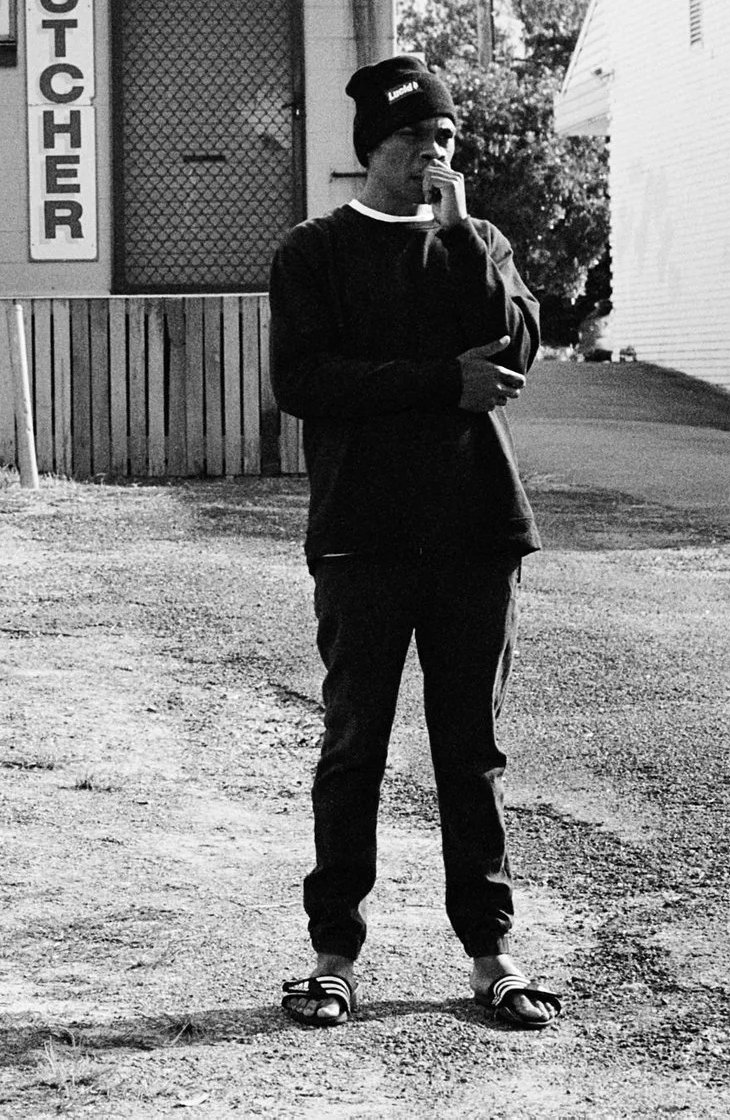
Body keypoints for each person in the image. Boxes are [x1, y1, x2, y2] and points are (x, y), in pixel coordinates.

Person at [265, 54, 563, 1030]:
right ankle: (332, 951)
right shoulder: (313, 252)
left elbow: (514, 347)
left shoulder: (478, 239)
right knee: (353, 746)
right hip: (362, 538)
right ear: (370, 152)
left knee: (468, 749)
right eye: (412, 138)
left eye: (444, 136)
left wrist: (462, 234)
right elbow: (308, 379)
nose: (433, 150)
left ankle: (489, 949)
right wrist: (442, 383)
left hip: (476, 531)